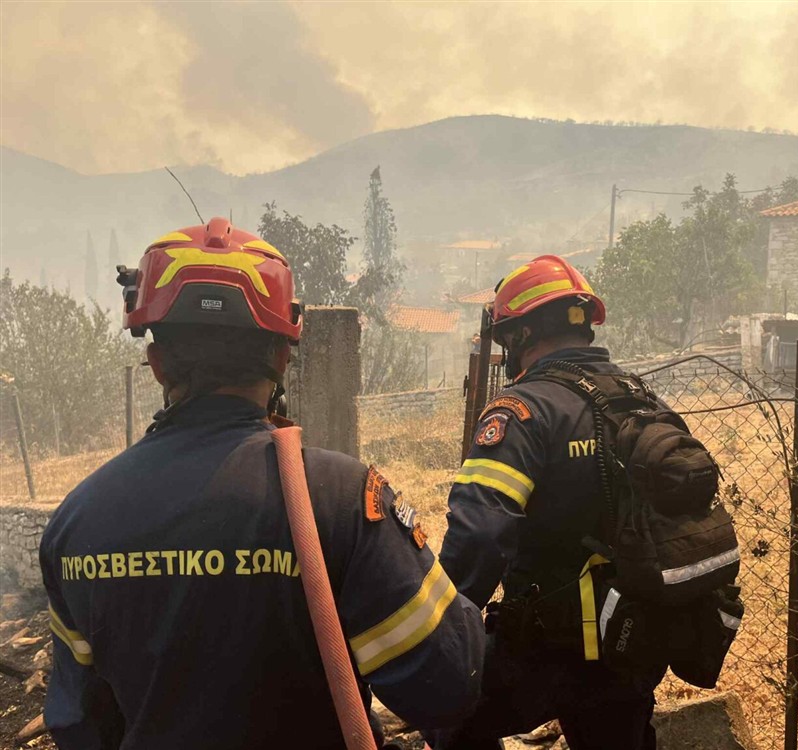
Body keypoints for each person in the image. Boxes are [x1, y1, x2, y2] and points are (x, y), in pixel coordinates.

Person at [39, 218, 485, 750]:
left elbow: (79, 725)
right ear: (281, 356)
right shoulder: (341, 497)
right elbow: (447, 684)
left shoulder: (77, 521)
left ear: (157, 364)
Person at [430, 256, 664, 750]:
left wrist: (441, 630)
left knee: (443, 710)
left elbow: (479, 534)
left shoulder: (523, 410)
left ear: (519, 336)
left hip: (548, 647)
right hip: (635, 639)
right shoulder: (642, 401)